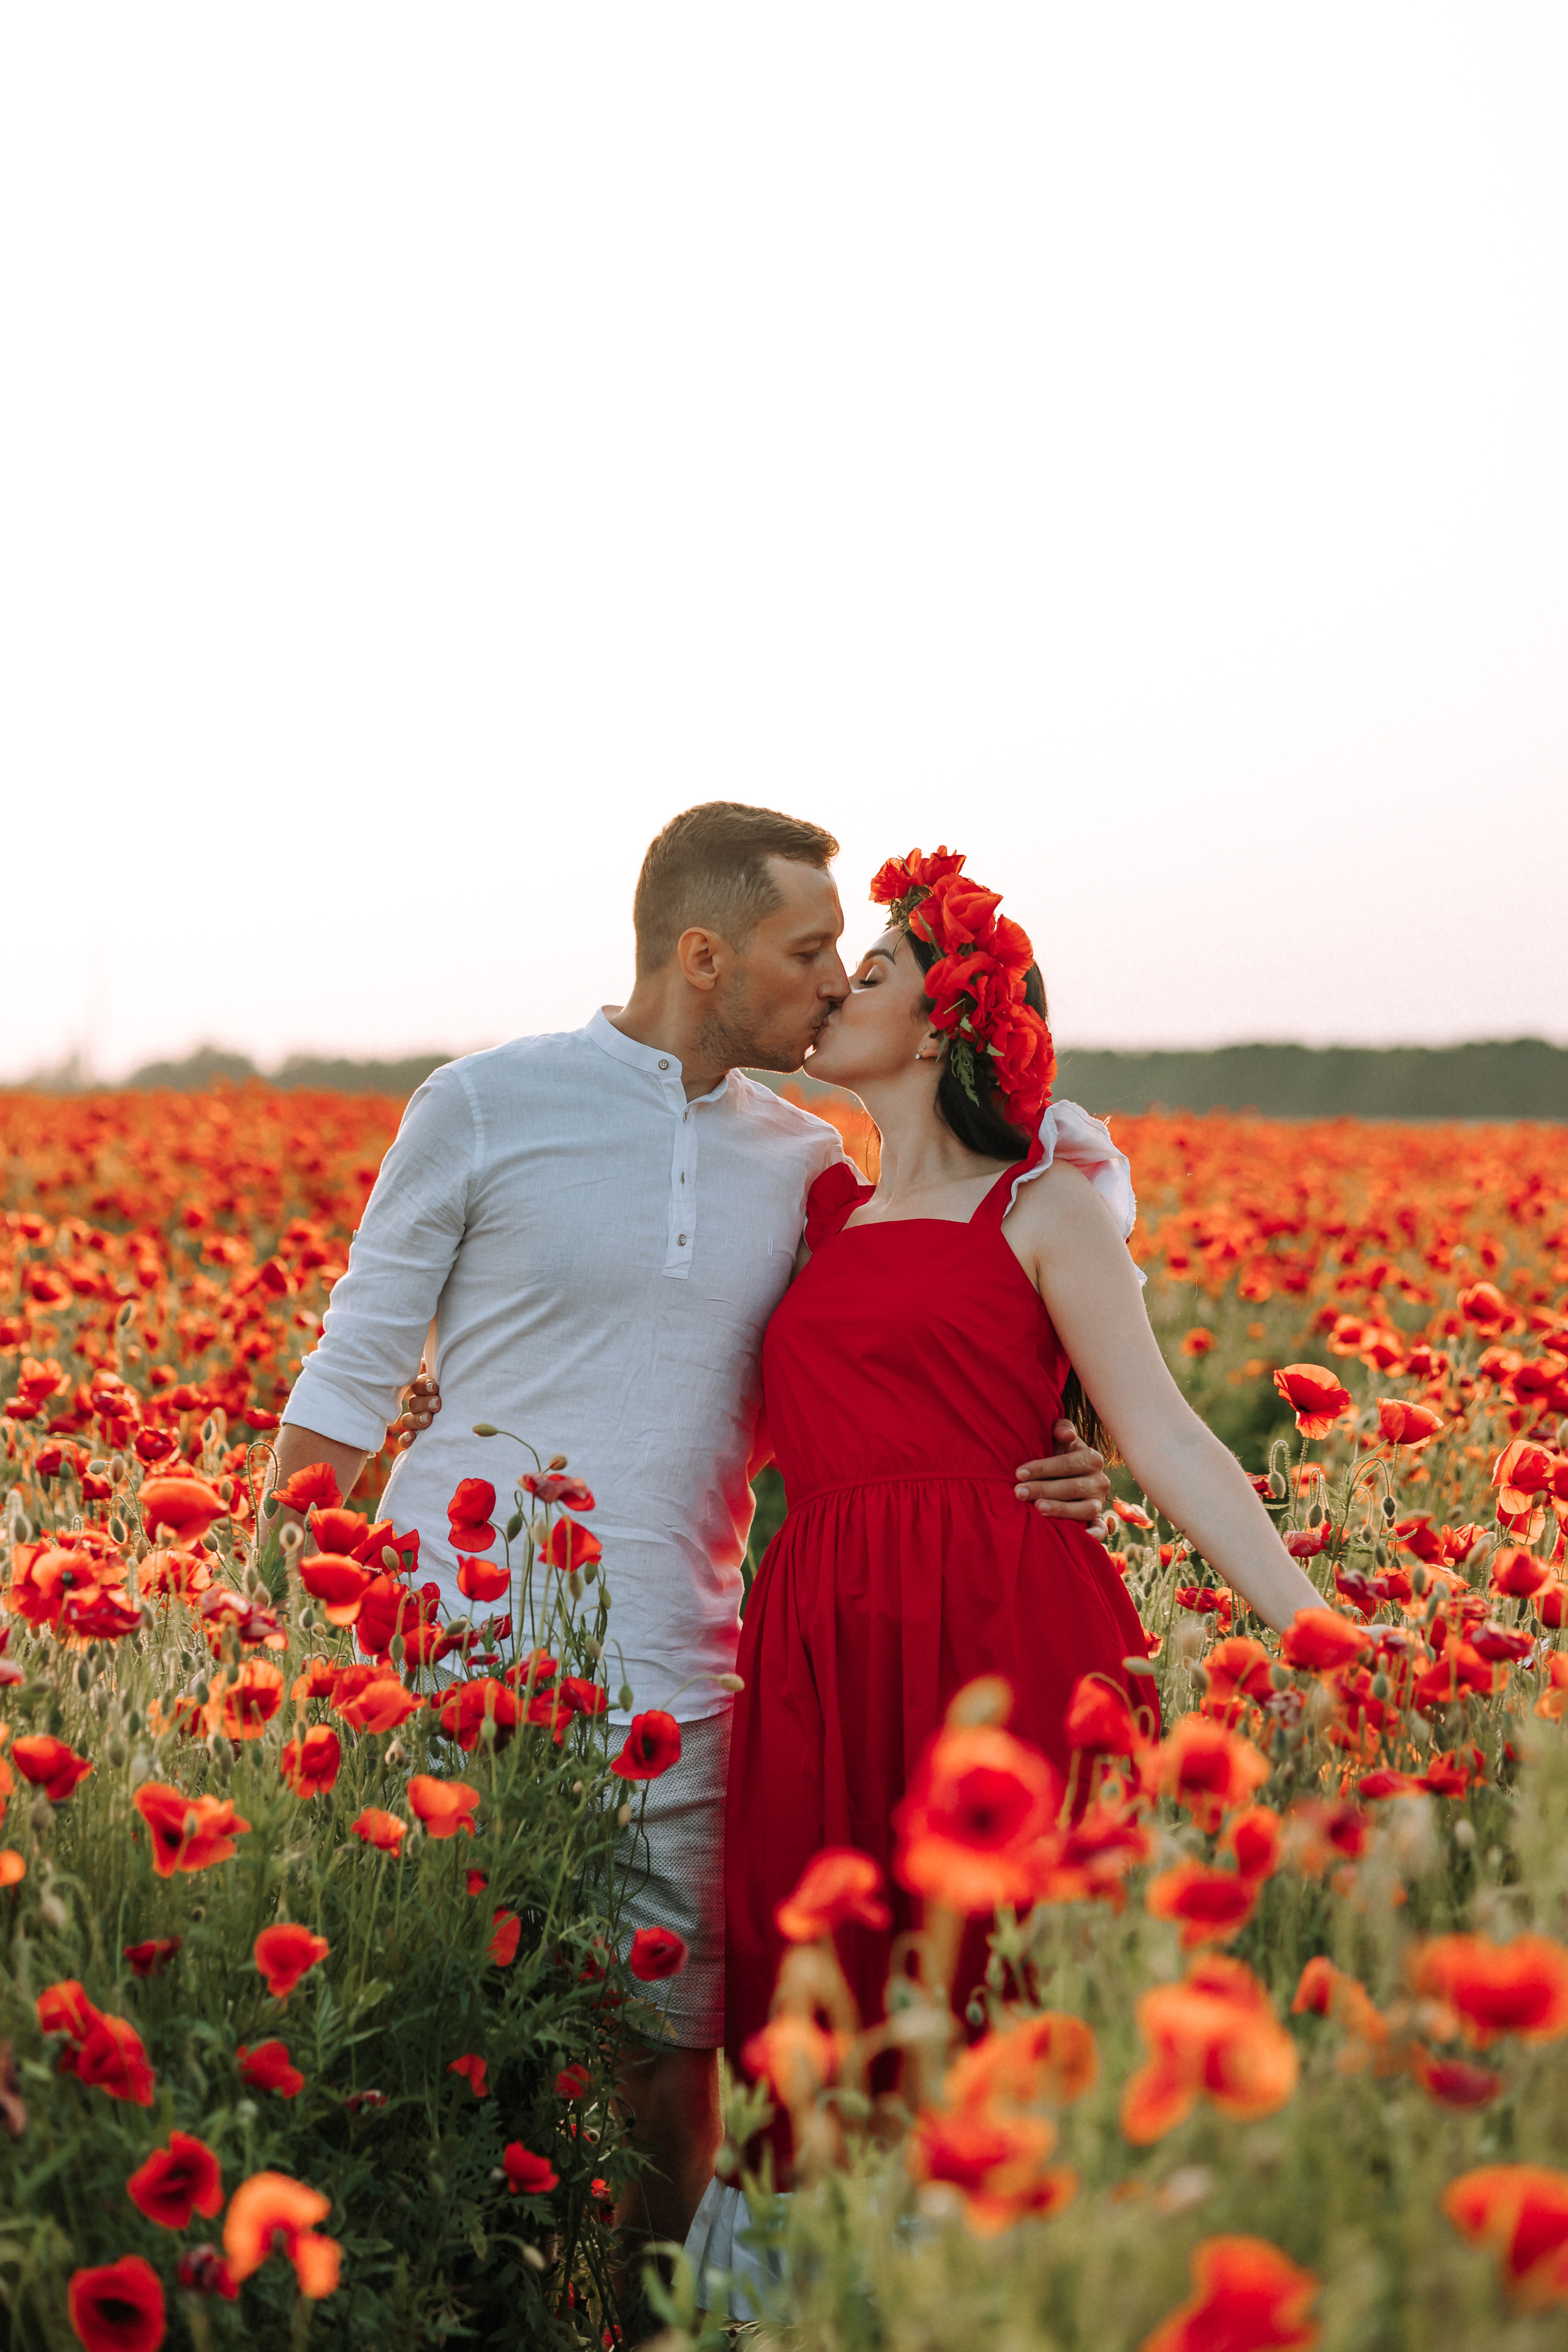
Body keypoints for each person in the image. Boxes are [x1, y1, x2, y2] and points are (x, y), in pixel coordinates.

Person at [268, 804, 1111, 2258]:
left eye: (847, 953)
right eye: (806, 949)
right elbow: (348, 1382)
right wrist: (271, 1633)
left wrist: (1053, 1444)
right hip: (440, 1657)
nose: (835, 980)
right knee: (426, 2044)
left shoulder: (805, 1164)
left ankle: (654, 2330)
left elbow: (944, 1290)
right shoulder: (481, 1105)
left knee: (669, 2082)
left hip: (682, 1679)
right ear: (705, 957)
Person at [685, 844, 1324, 2287]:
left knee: (1002, 1973)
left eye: (870, 970)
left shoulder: (1042, 1208)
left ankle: (1010, 2295)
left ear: (944, 1024)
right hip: (819, 1648)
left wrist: (1309, 1629)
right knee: (816, 1992)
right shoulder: (814, 1215)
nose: (835, 990)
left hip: (1004, 1631)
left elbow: (1163, 1434)